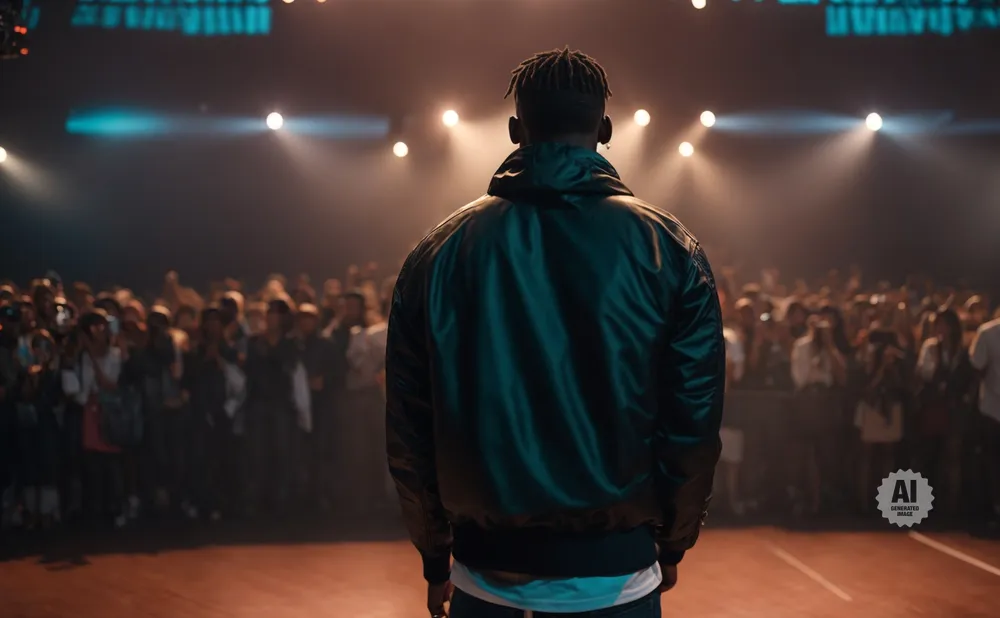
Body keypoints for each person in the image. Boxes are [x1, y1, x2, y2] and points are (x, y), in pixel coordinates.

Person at [386, 47, 725, 618]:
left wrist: (435, 555)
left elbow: (410, 427)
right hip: (619, 577)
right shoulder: (669, 250)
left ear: (516, 130)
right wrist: (672, 541)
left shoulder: (438, 253)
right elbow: (692, 422)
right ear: (607, 129)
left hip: (486, 575)